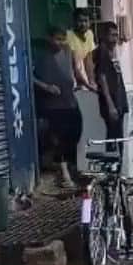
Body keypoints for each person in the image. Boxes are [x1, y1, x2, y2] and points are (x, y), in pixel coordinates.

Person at [32, 27, 83, 186]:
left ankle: (65, 166)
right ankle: (64, 174)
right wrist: (46, 87)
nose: (60, 43)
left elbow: (75, 71)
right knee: (58, 138)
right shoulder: (38, 54)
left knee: (75, 132)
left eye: (63, 39)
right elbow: (28, 75)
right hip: (52, 104)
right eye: (57, 39)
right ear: (49, 38)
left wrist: (86, 84)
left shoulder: (68, 51)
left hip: (69, 100)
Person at [90, 21, 128, 141]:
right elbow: (102, 78)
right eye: (112, 35)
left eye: (116, 35)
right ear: (104, 36)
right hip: (111, 101)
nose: (115, 39)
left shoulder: (113, 52)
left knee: (119, 137)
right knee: (113, 138)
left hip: (119, 98)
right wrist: (110, 105)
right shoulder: (102, 52)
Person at [65, 8, 97, 91]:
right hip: (70, 76)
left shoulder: (89, 34)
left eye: (86, 21)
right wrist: (87, 85)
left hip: (81, 76)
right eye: (80, 21)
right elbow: (74, 65)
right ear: (74, 21)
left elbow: (89, 61)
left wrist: (92, 82)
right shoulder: (69, 36)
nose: (83, 24)